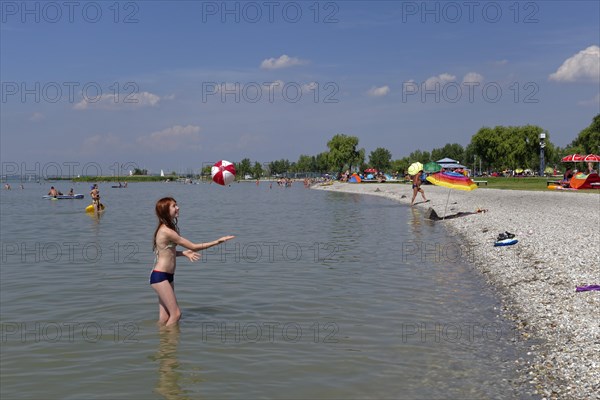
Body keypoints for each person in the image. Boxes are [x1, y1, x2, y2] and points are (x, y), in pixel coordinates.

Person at [150, 197, 235, 326]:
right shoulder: (167, 231)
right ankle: (170, 344)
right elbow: (194, 246)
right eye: (174, 206)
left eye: (177, 205)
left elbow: (166, 254)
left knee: (164, 317)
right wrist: (218, 241)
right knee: (176, 314)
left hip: (166, 276)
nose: (178, 207)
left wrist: (183, 253)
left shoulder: (167, 228)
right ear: (166, 211)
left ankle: (163, 343)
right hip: (160, 276)